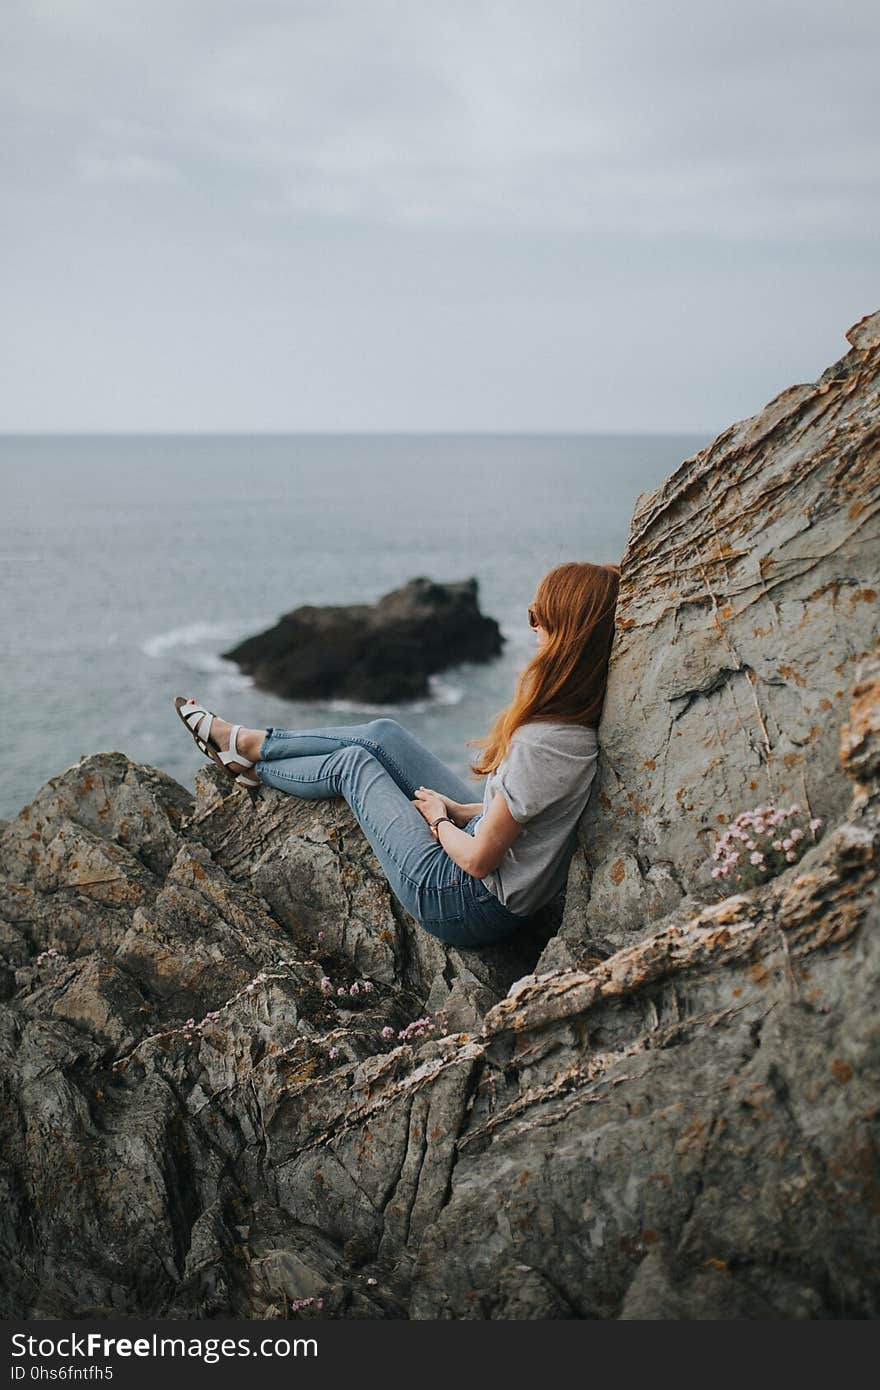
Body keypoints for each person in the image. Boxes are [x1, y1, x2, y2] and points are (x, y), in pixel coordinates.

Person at [174, 561, 620, 948]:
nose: (530, 625)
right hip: (482, 863)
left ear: (565, 633)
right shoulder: (573, 722)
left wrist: (439, 821)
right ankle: (249, 743)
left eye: (537, 615)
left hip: (461, 898)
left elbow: (480, 860)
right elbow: (519, 817)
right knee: (383, 733)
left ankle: (250, 761)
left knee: (354, 765)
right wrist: (460, 810)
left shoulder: (544, 743)